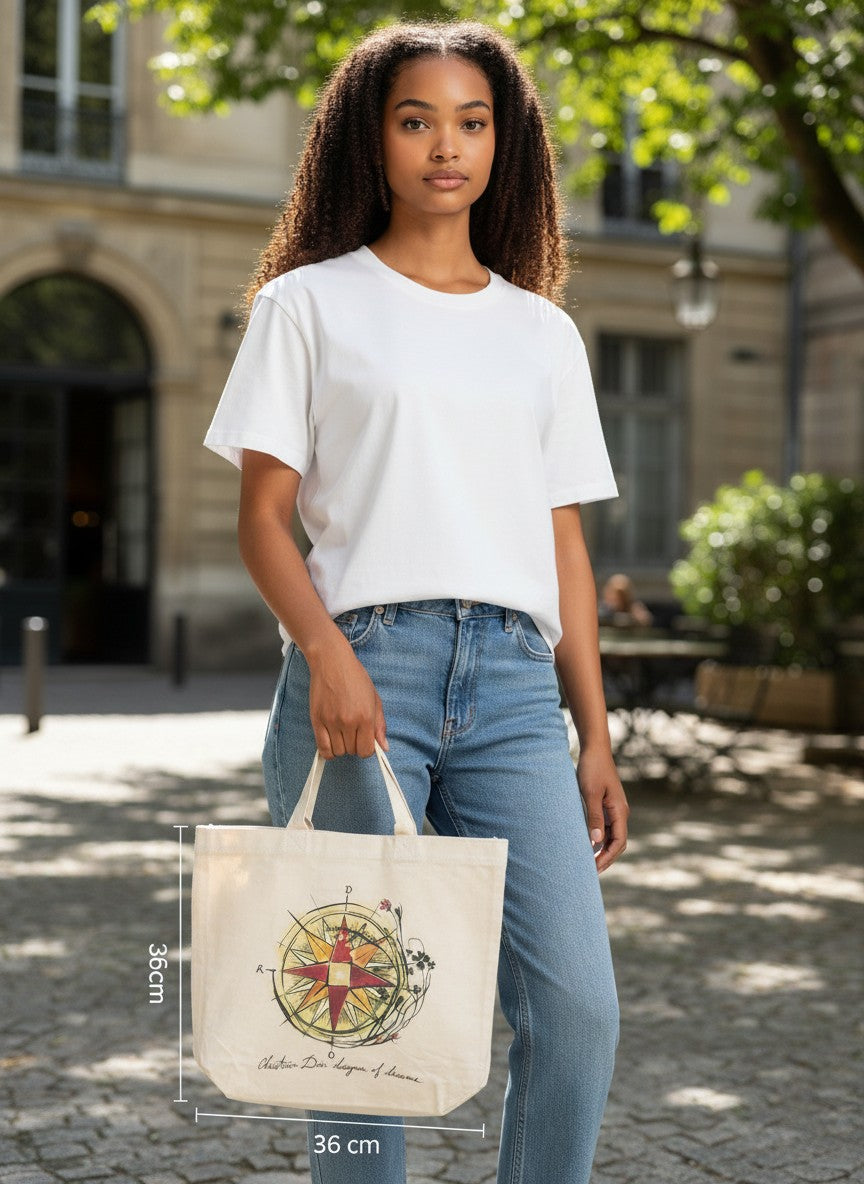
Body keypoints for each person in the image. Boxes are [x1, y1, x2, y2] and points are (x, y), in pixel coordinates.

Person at [203, 19, 629, 1184]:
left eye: (473, 120)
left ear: (506, 142)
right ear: (373, 140)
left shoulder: (542, 334)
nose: (448, 144)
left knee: (579, 1010)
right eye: (417, 118)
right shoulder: (309, 305)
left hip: (508, 687)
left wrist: (592, 730)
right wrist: (328, 656)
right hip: (361, 673)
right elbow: (262, 517)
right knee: (358, 1038)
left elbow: (564, 546)